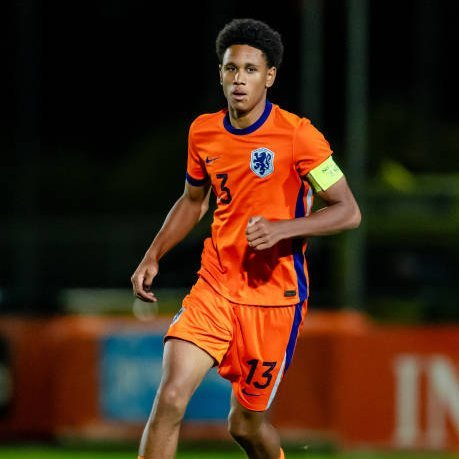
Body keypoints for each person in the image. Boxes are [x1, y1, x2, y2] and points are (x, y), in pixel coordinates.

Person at [131, 17, 361, 459]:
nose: (239, 79)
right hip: (215, 286)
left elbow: (348, 211)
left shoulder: (299, 135)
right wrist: (153, 254)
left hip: (275, 301)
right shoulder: (203, 131)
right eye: (231, 68)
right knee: (171, 396)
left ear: (269, 76)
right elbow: (193, 201)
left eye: (251, 70)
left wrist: (282, 228)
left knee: (245, 425)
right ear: (220, 73)